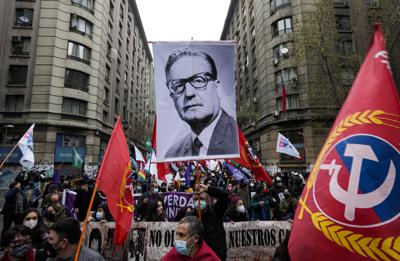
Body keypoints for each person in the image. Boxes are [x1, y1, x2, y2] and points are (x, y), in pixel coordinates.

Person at [163, 48, 238, 158]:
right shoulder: (172, 154)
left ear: (217, 88)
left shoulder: (238, 143)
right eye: (178, 86)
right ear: (172, 97)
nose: (189, 93)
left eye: (198, 80)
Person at [187, 184, 229, 261]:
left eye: (202, 198)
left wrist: (208, 189)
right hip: (197, 256)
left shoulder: (216, 211)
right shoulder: (189, 216)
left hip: (216, 255)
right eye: (196, 199)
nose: (198, 201)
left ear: (207, 200)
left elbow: (224, 196)